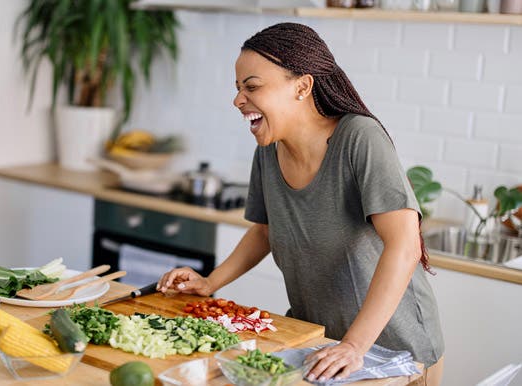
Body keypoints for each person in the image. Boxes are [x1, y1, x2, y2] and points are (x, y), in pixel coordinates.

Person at [157, 22, 444, 385]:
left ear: (302, 86)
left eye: (252, 86)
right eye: (238, 88)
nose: (238, 99)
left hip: (395, 352)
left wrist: (354, 345)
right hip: (321, 344)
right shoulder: (269, 151)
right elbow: (265, 230)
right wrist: (210, 282)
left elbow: (404, 245)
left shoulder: (359, 139)